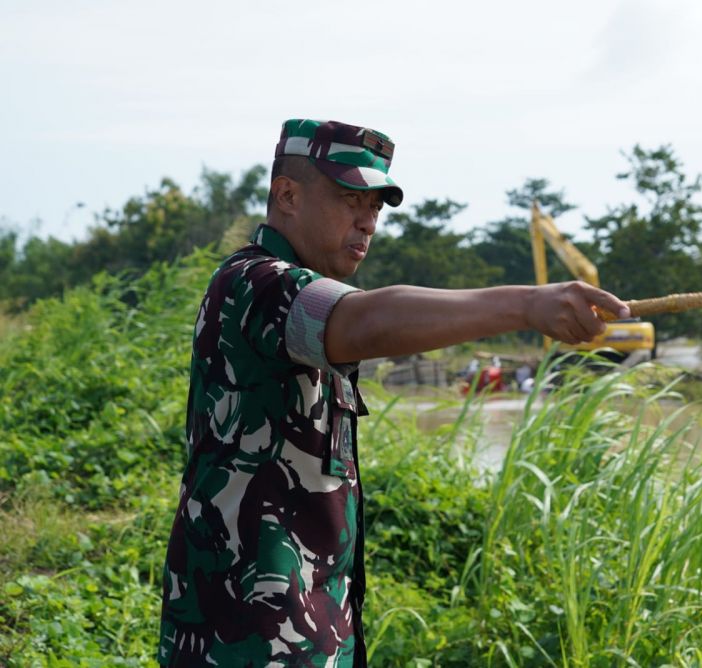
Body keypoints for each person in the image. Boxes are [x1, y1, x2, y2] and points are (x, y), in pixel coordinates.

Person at [158, 118, 630, 667]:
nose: (368, 223)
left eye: (376, 207)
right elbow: (366, 318)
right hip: (241, 641)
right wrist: (525, 306)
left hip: (312, 633)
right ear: (286, 195)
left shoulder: (298, 301)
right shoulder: (253, 285)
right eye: (349, 199)